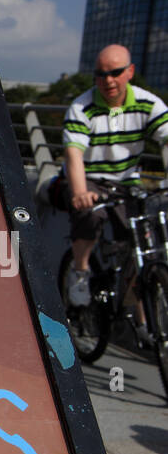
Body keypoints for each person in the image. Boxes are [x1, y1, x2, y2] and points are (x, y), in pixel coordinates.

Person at [60, 44, 168, 335]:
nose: (108, 80)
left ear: (130, 72)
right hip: (91, 177)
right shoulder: (82, 107)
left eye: (115, 73)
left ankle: (143, 320)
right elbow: (73, 154)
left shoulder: (149, 104)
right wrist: (81, 191)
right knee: (89, 216)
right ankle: (80, 274)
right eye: (100, 74)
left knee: (141, 246)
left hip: (126, 181)